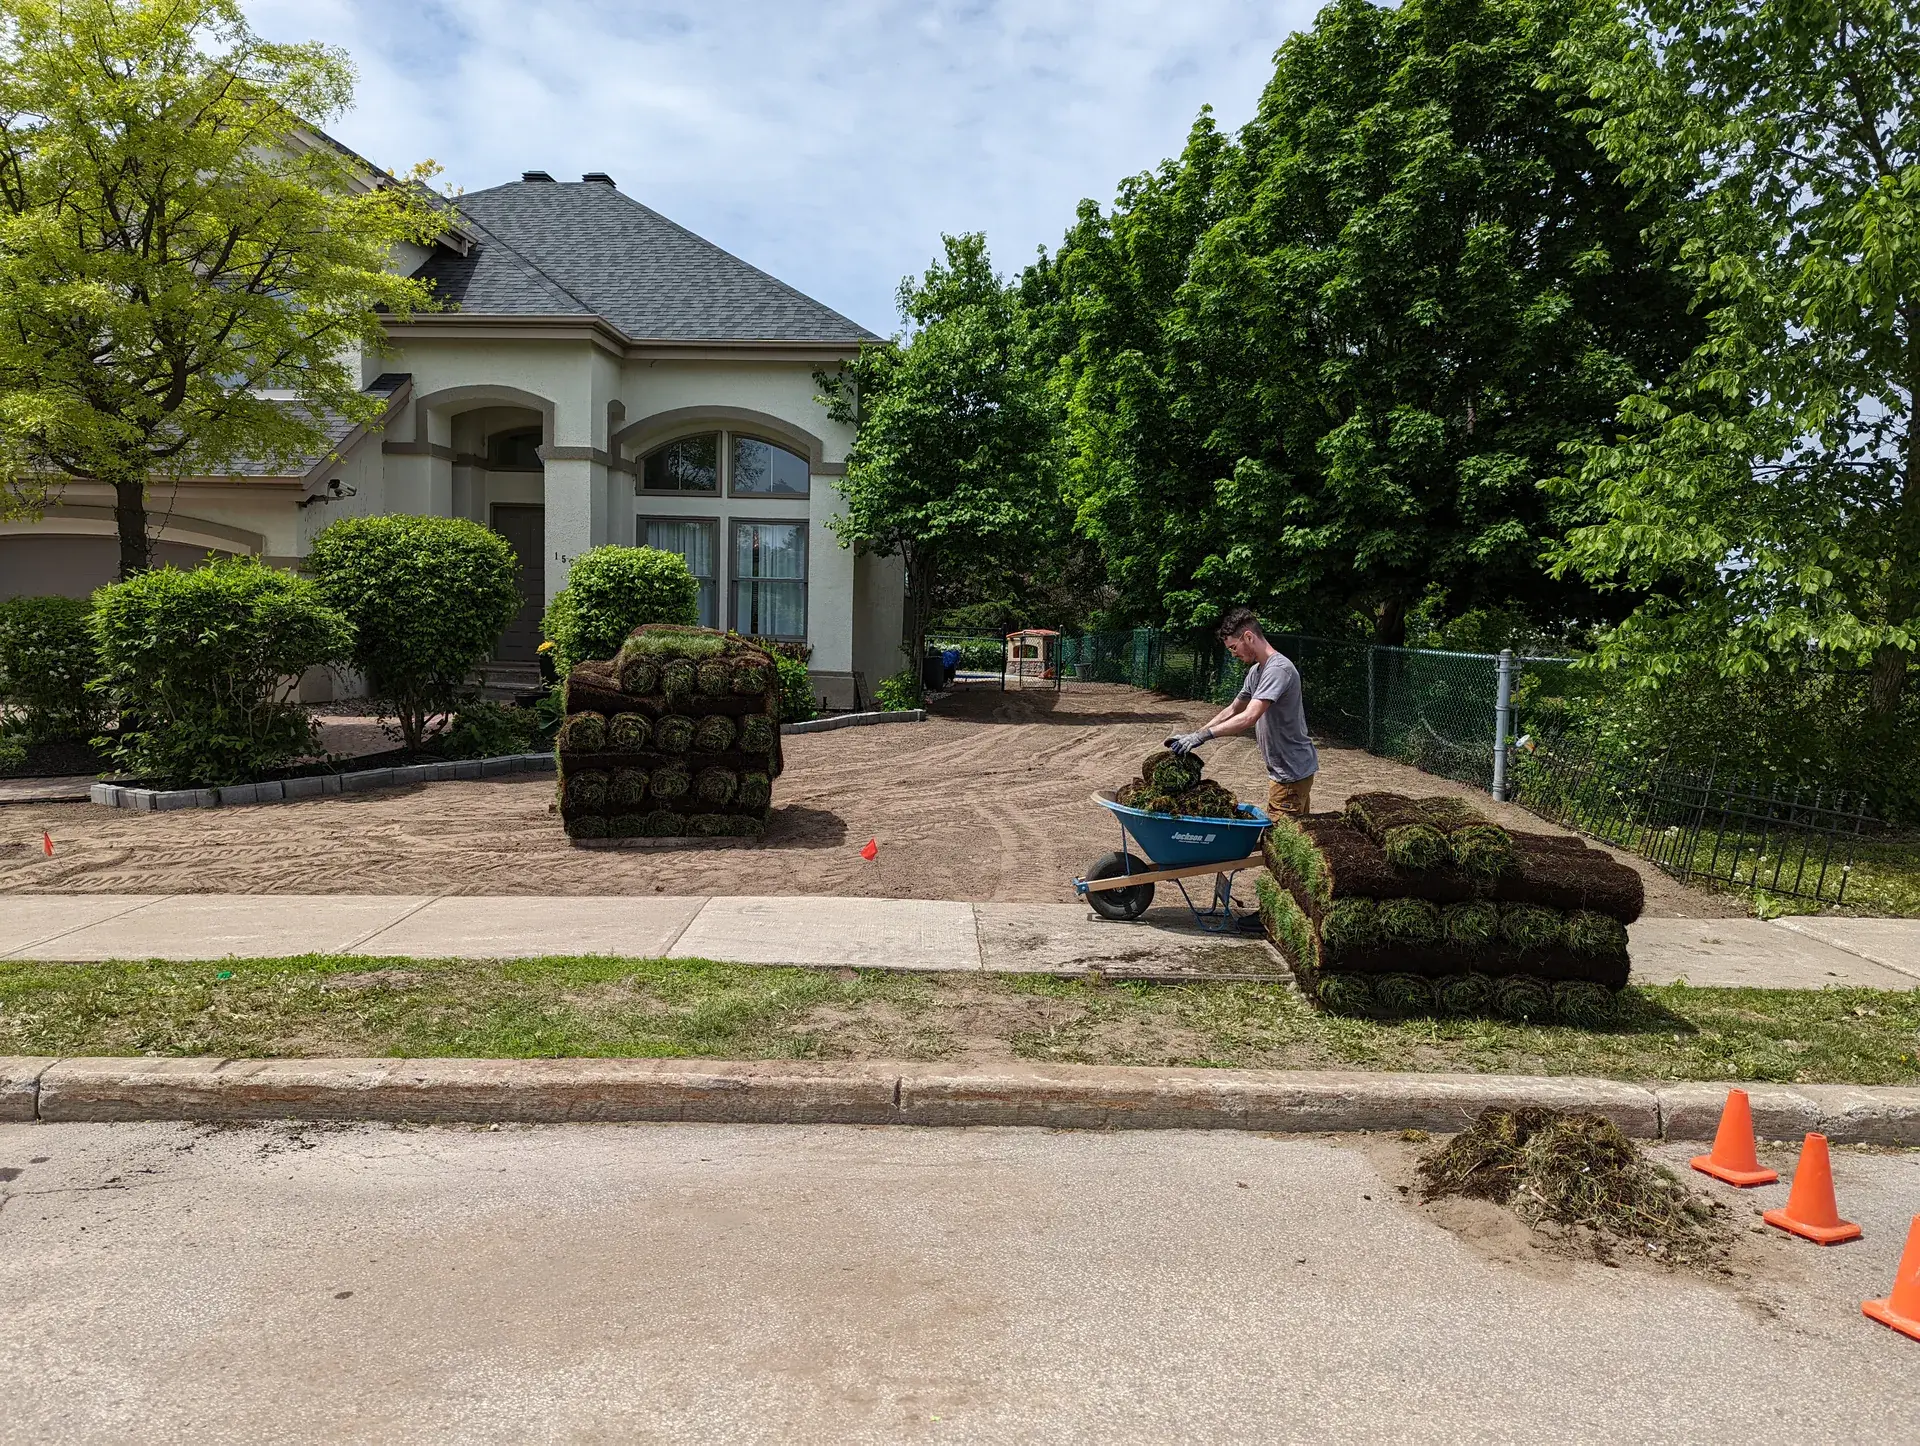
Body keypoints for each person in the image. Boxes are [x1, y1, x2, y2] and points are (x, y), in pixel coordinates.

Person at [1163, 606, 1319, 818]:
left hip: (1291, 773)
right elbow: (1234, 708)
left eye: (1234, 647)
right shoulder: (1257, 672)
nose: (1233, 653)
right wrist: (1195, 735)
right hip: (1287, 771)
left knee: (1278, 841)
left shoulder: (1278, 670)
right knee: (1296, 835)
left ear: (1248, 636)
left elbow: (1249, 716)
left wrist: (1205, 736)